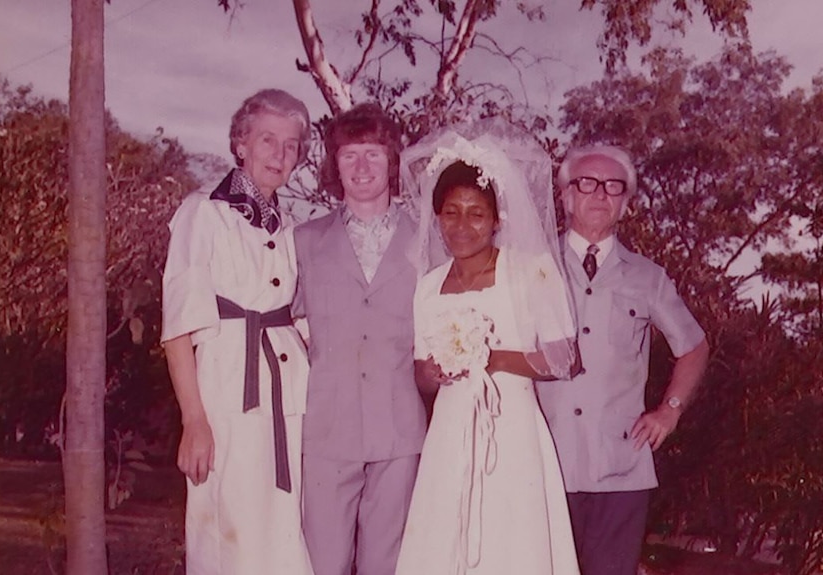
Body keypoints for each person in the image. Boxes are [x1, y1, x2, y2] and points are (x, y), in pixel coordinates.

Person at [395, 124, 581, 575]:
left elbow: (564, 359)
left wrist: (492, 358)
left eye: (476, 213)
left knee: (511, 543)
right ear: (436, 216)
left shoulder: (529, 272)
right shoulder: (427, 287)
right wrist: (435, 373)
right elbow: (420, 371)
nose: (462, 226)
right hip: (450, 429)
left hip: (511, 427)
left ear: (497, 219)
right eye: (451, 212)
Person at [536, 145, 710, 575]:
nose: (600, 195)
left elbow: (693, 346)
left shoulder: (648, 277)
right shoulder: (533, 267)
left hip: (621, 470)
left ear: (625, 204)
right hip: (543, 466)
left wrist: (669, 412)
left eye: (613, 187)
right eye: (587, 184)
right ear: (565, 196)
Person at [161, 89, 314, 574]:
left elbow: (304, 318)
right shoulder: (203, 213)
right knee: (230, 537)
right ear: (241, 143)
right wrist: (194, 421)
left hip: (290, 398)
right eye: (267, 139)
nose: (279, 154)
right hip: (227, 397)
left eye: (291, 145)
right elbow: (178, 329)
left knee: (285, 536)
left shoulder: (294, 228)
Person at [293, 103, 427, 575]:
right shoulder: (304, 241)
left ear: (392, 160)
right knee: (323, 562)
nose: (363, 166)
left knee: (387, 564)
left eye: (372, 153)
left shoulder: (427, 239)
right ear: (335, 165)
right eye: (350, 155)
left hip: (400, 427)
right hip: (327, 427)